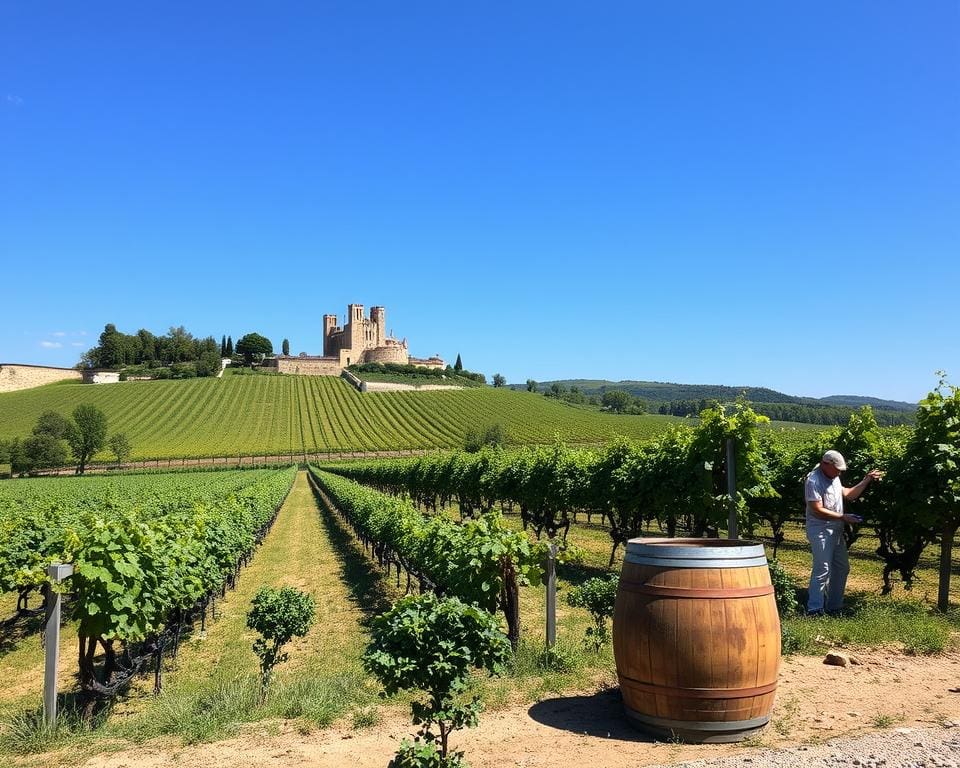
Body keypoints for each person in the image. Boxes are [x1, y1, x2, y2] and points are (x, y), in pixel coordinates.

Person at [804, 450, 883, 616]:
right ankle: (814, 609)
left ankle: (834, 606)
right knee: (823, 568)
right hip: (820, 530)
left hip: (835, 530)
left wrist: (866, 480)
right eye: (837, 469)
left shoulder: (834, 477)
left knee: (841, 567)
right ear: (826, 464)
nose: (839, 472)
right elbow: (816, 510)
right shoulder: (813, 481)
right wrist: (843, 517)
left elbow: (848, 494)